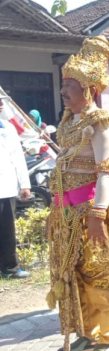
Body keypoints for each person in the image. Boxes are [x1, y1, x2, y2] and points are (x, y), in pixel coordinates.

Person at [46, 36, 109, 351]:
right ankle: (82, 332)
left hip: (89, 214)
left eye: (70, 86)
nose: (64, 92)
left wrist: (97, 214)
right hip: (64, 216)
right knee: (70, 275)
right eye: (63, 86)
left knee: (96, 275)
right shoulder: (69, 125)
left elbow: (107, 170)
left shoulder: (102, 125)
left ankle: (105, 338)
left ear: (88, 90)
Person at [0, 96, 31, 279]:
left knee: (7, 231)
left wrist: (25, 184)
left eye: (1, 101)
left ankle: (9, 268)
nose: (1, 104)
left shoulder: (8, 128)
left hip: (6, 187)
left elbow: (18, 158)